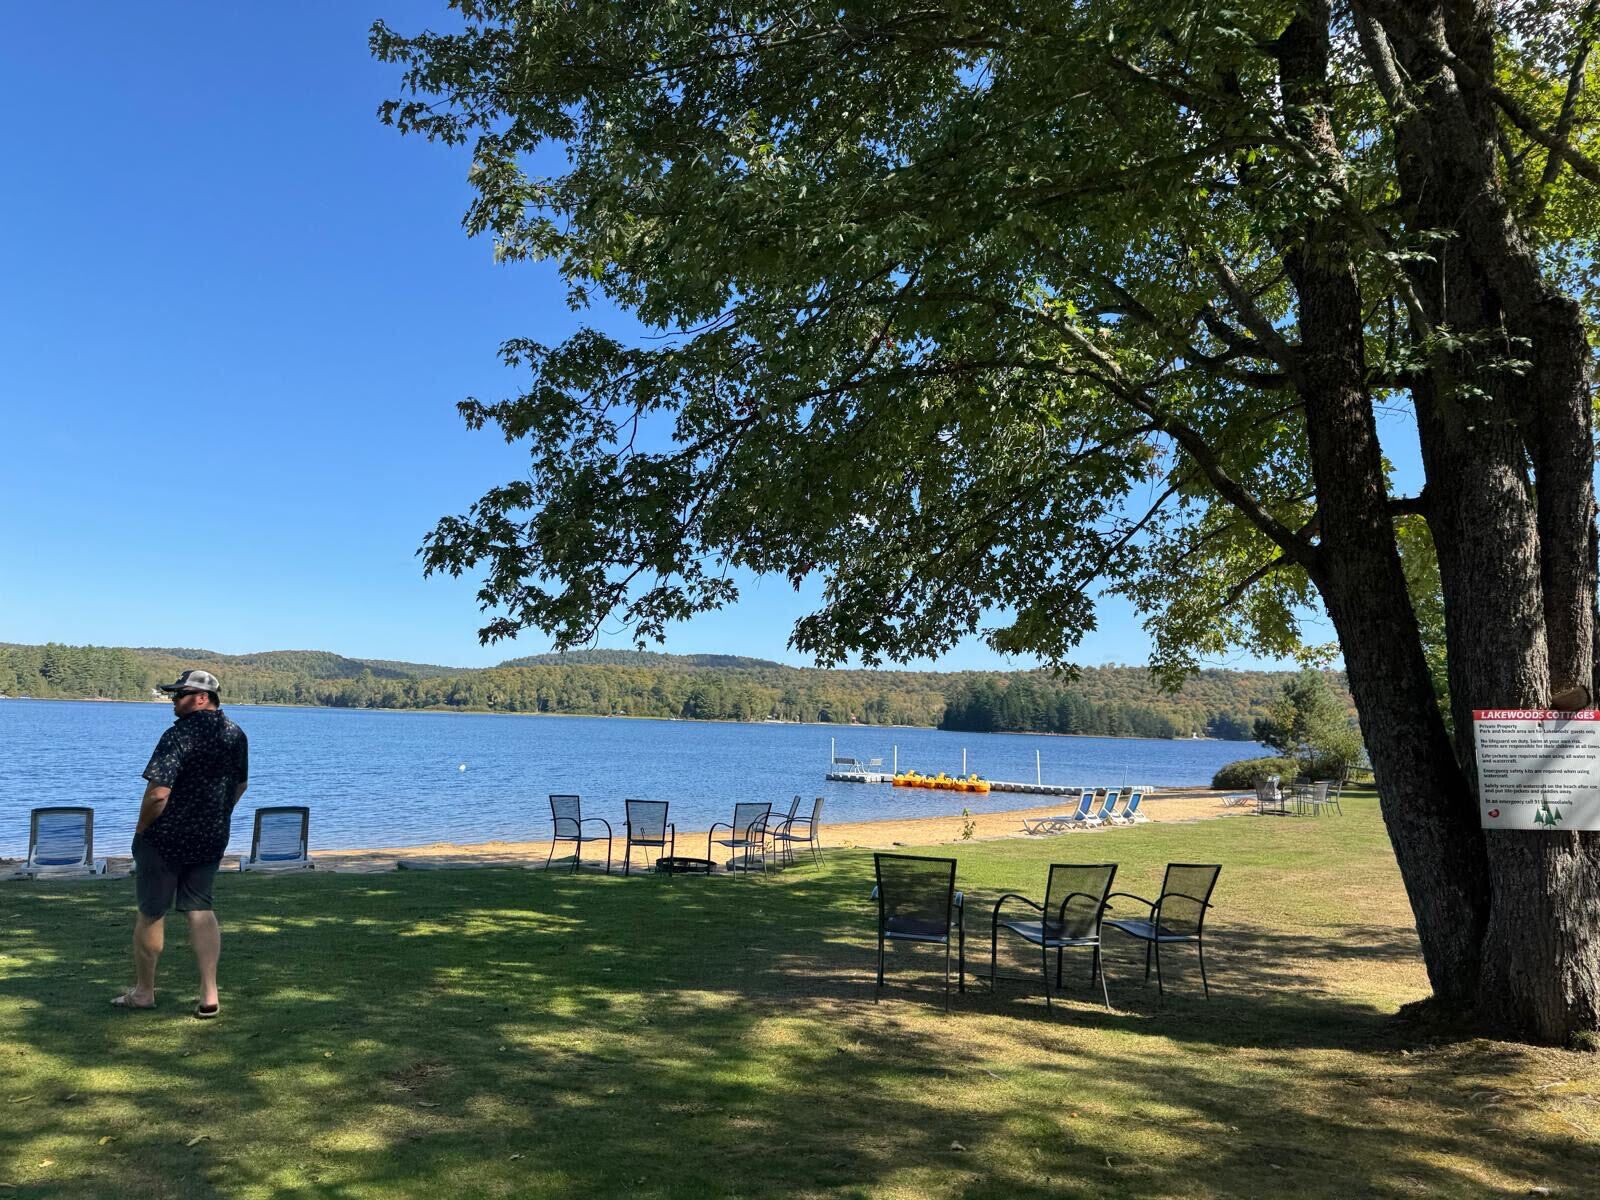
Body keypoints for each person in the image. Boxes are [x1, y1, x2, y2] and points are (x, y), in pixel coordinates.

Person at [111, 669, 248, 1018]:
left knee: (151, 912)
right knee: (200, 908)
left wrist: (142, 829)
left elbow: (158, 794)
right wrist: (219, 814)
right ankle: (210, 995)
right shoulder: (236, 734)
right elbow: (240, 785)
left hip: (165, 838)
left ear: (202, 698)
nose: (173, 700)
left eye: (179, 694)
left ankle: (144, 993)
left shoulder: (179, 735)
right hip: (210, 837)